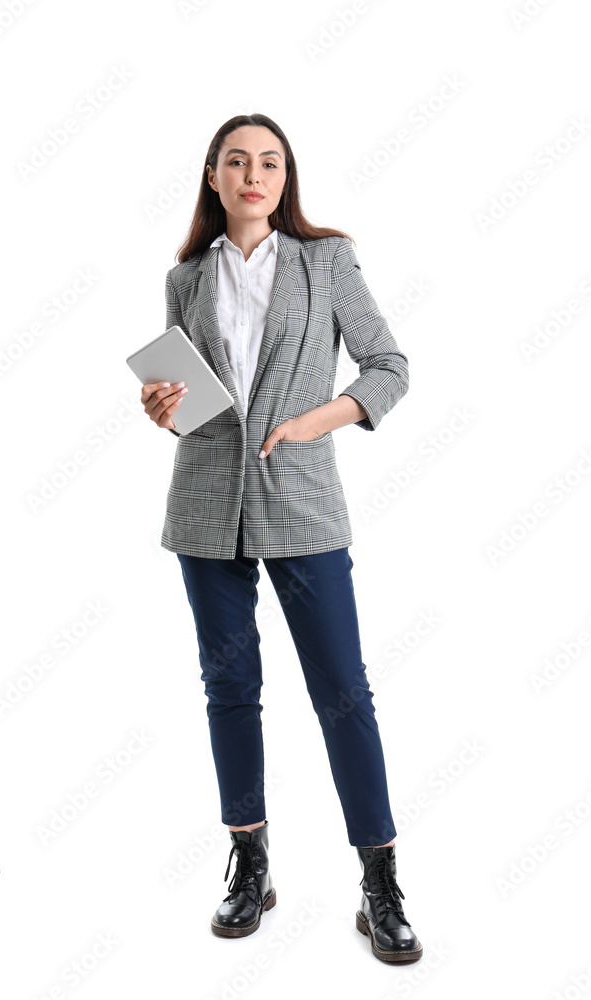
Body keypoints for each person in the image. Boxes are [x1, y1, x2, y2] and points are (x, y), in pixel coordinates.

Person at [140, 113, 422, 965]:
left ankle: (380, 883)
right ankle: (249, 861)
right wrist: (162, 409)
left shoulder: (325, 260)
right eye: (237, 161)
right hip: (204, 506)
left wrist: (313, 423)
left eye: (269, 161)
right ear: (215, 176)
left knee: (344, 691)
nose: (253, 173)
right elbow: (187, 402)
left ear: (284, 177)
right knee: (230, 688)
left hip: (302, 502)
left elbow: (388, 368)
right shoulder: (185, 276)